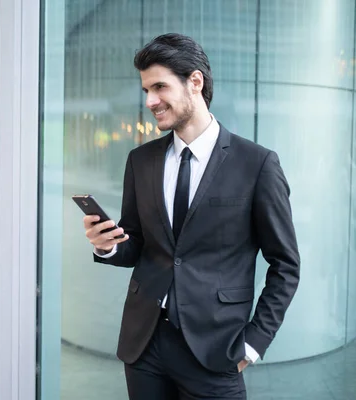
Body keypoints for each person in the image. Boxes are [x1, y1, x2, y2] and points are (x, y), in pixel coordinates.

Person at [82, 33, 300, 400]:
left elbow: (286, 265)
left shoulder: (257, 164)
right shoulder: (141, 161)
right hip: (144, 345)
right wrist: (107, 246)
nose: (150, 101)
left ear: (194, 82)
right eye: (146, 90)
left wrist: (252, 344)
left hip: (216, 351)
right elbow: (136, 244)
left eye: (159, 87)